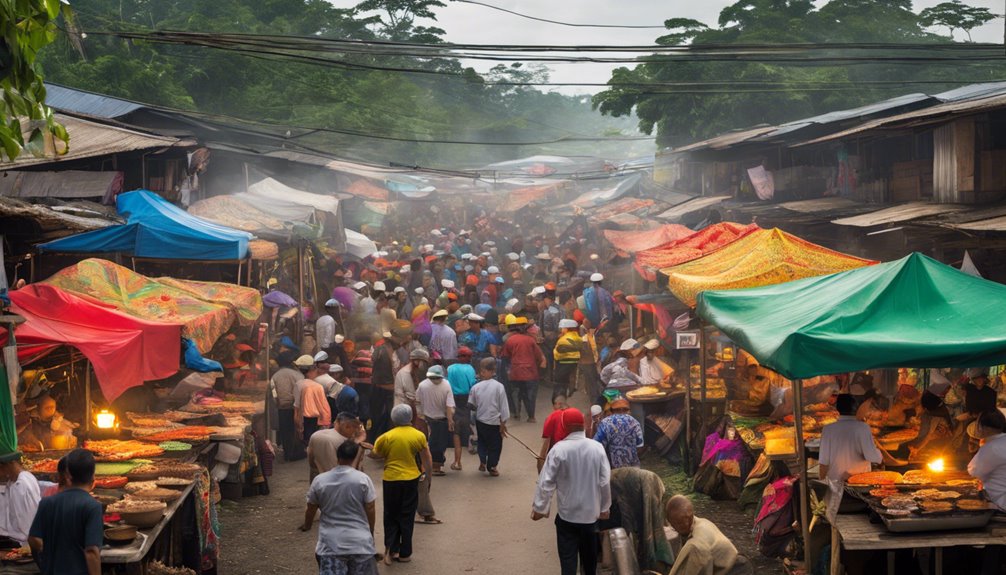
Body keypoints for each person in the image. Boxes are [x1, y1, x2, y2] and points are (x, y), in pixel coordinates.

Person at [531, 408, 611, 575]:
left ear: (564, 426)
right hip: (590, 517)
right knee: (589, 563)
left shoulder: (558, 450)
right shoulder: (597, 448)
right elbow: (604, 481)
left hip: (567, 517)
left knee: (568, 562)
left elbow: (546, 482)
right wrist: (604, 508)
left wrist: (540, 509)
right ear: (584, 426)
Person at [299, 441, 379, 575]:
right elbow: (370, 508)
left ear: (337, 457)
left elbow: (311, 508)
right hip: (360, 544)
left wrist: (307, 525)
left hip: (331, 545)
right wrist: (370, 532)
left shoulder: (320, 480)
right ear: (357, 457)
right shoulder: (363, 479)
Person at [369, 404, 433, 565]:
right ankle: (405, 553)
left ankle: (391, 549)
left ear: (393, 418)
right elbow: (427, 458)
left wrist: (371, 449)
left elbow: (376, 455)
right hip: (411, 479)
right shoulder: (418, 436)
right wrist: (428, 476)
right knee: (407, 515)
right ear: (410, 417)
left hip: (391, 479)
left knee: (391, 514)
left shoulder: (386, 437)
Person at [28, 449, 103, 575]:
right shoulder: (92, 506)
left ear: (68, 476)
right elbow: (91, 552)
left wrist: (47, 559)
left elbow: (33, 539)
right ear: (93, 477)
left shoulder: (46, 503)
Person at [665, 495, 751, 575]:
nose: (686, 524)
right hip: (734, 563)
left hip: (736, 570)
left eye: (688, 519)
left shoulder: (696, 544)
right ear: (670, 523)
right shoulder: (697, 521)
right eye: (679, 523)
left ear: (692, 515)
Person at [819, 394, 883, 481]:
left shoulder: (827, 429)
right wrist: (880, 454)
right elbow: (872, 457)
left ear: (837, 408)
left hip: (835, 485)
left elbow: (823, 462)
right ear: (855, 407)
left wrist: (822, 482)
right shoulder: (863, 427)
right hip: (858, 484)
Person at [468, 357, 510, 476]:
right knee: (495, 445)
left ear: (491, 371)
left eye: (483, 371)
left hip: (481, 420)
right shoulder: (499, 387)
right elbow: (504, 407)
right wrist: (503, 423)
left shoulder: (476, 387)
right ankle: (492, 466)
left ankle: (482, 461)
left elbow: (472, 404)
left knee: (482, 442)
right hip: (494, 422)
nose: (482, 373)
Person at [501, 316, 545, 422]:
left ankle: (517, 414)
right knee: (530, 394)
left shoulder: (509, 340)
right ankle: (531, 416)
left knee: (516, 392)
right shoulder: (530, 340)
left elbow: (505, 356)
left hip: (515, 371)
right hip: (531, 372)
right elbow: (539, 357)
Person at [415, 365, 455, 476]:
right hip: (441, 420)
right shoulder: (446, 384)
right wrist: (450, 420)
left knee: (430, 442)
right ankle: (436, 466)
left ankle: (428, 464)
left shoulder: (422, 385)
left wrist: (419, 417)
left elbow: (417, 401)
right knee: (440, 443)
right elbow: (449, 405)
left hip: (427, 419)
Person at [0, 451, 41, 549]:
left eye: (1, 467)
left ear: (9, 464)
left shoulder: (21, 485)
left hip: (22, 544)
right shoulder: (15, 480)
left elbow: (27, 526)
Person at [308, 412, 367, 480]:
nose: (357, 431)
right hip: (340, 481)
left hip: (319, 480)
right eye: (356, 428)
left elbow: (311, 460)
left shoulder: (315, 435)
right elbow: (352, 468)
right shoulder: (344, 442)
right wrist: (358, 441)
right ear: (347, 426)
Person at [446, 347, 477, 470]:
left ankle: (457, 461)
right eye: (467, 356)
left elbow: (447, 382)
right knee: (470, 423)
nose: (469, 359)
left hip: (453, 399)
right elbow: (473, 385)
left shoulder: (450, 368)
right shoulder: (469, 368)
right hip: (466, 399)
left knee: (456, 430)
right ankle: (471, 446)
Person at [272, 351, 307, 461]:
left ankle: (287, 454)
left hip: (282, 408)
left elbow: (273, 394)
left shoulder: (275, 376)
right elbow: (302, 390)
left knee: (285, 432)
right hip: (296, 407)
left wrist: (277, 403)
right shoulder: (297, 375)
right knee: (297, 430)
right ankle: (297, 452)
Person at [593, 398, 644, 469]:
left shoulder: (605, 423)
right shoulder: (635, 423)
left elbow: (596, 446)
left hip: (614, 470)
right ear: (627, 410)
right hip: (633, 468)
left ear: (612, 410)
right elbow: (640, 447)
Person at [906, 391, 954, 461]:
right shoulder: (937, 406)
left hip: (940, 445)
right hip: (936, 441)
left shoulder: (939, 415)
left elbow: (929, 435)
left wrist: (917, 449)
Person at [537, 395, 571, 473]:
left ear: (558, 404)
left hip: (556, 454)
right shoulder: (578, 414)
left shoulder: (551, 417)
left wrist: (541, 459)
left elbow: (546, 442)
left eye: (554, 404)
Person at [553, 319, 582, 399]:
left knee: (560, 381)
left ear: (566, 328)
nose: (561, 330)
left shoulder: (563, 339)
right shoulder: (578, 337)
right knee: (569, 378)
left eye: (562, 328)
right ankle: (569, 391)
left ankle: (560, 397)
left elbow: (557, 353)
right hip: (574, 362)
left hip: (563, 362)